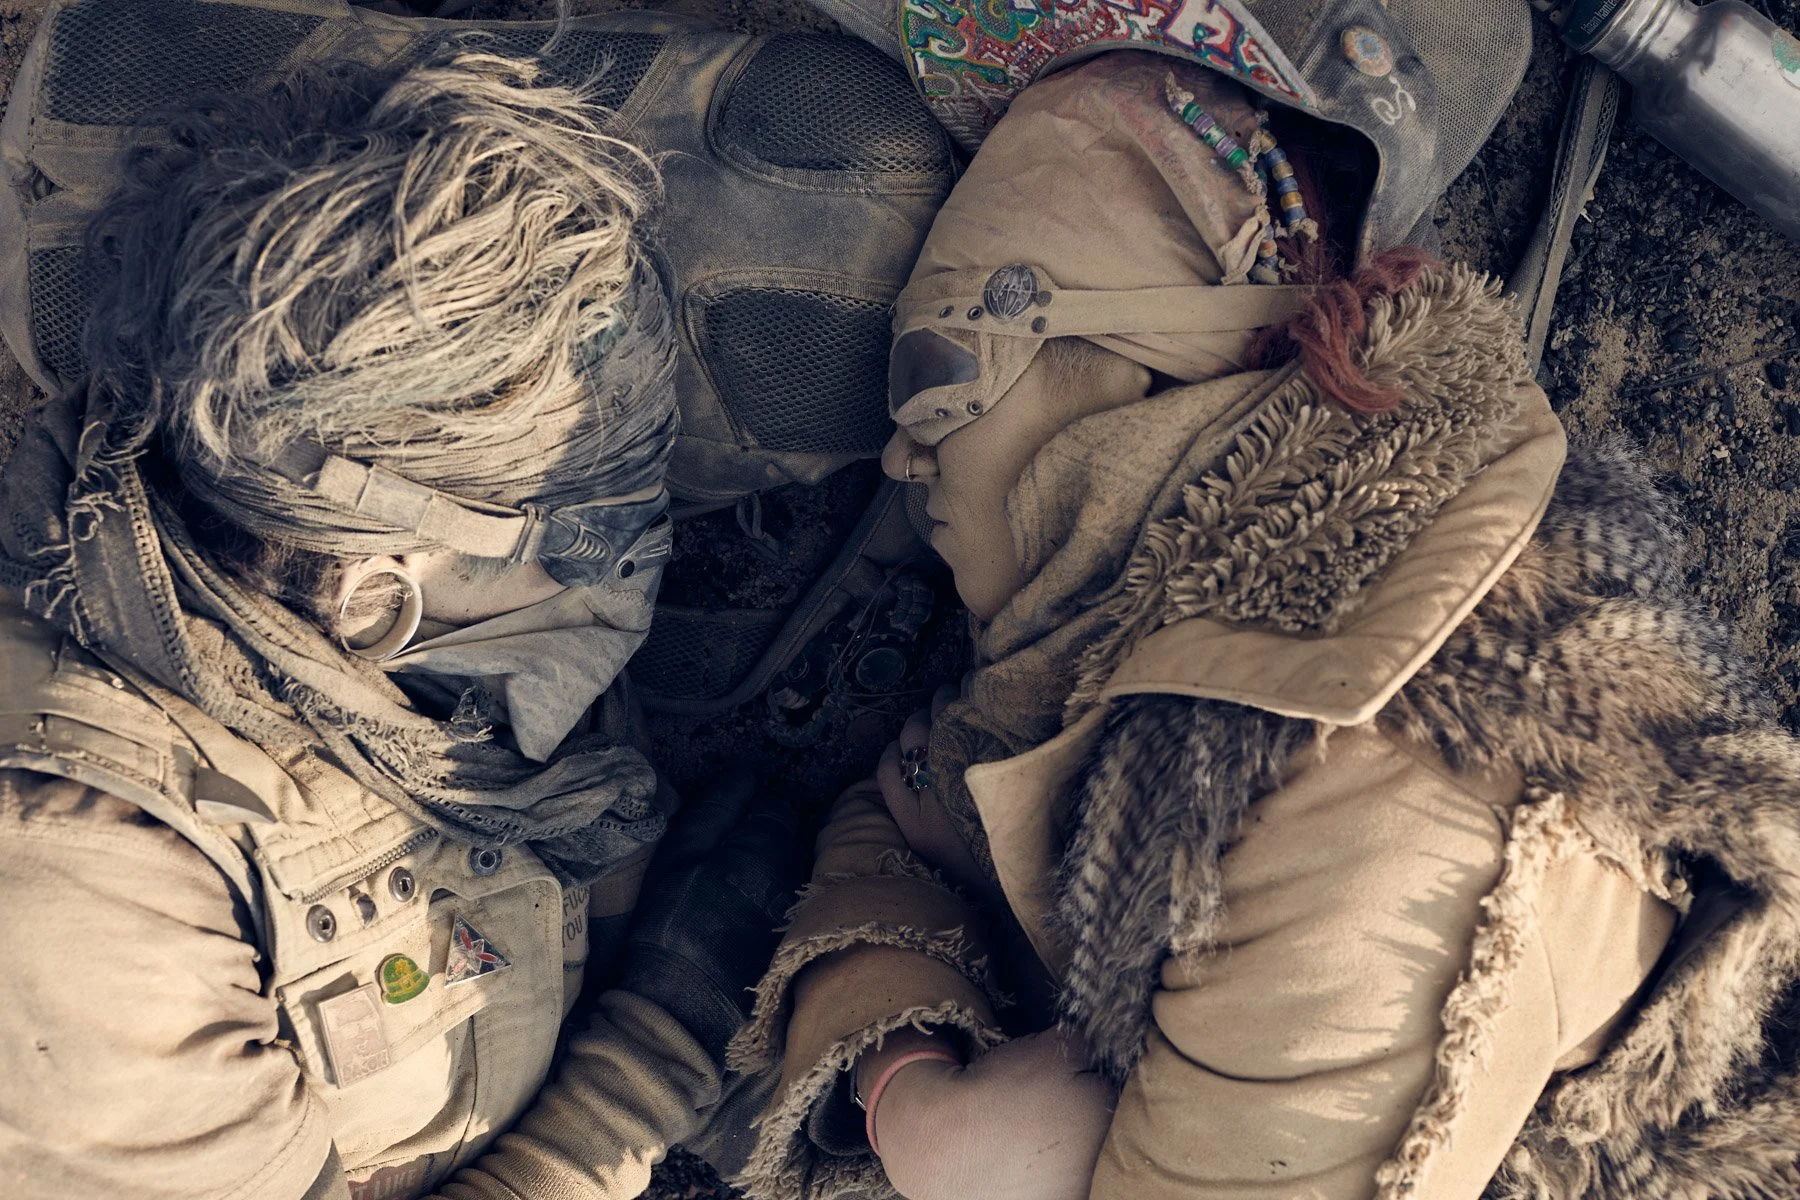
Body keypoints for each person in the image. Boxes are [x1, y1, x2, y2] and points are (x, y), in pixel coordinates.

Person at [727, 46, 1800, 1200]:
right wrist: (923, 1091)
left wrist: (915, 1095)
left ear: (1156, 383)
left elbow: (898, 848)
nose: (903, 449)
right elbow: (893, 821)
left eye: (938, 369)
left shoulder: (1386, 819)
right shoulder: (1151, 652)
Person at [0, 48, 805, 1200]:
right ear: (378, 590)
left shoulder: (425, 645)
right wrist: (656, 1055)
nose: (638, 566)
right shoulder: (74, 895)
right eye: (593, 532)